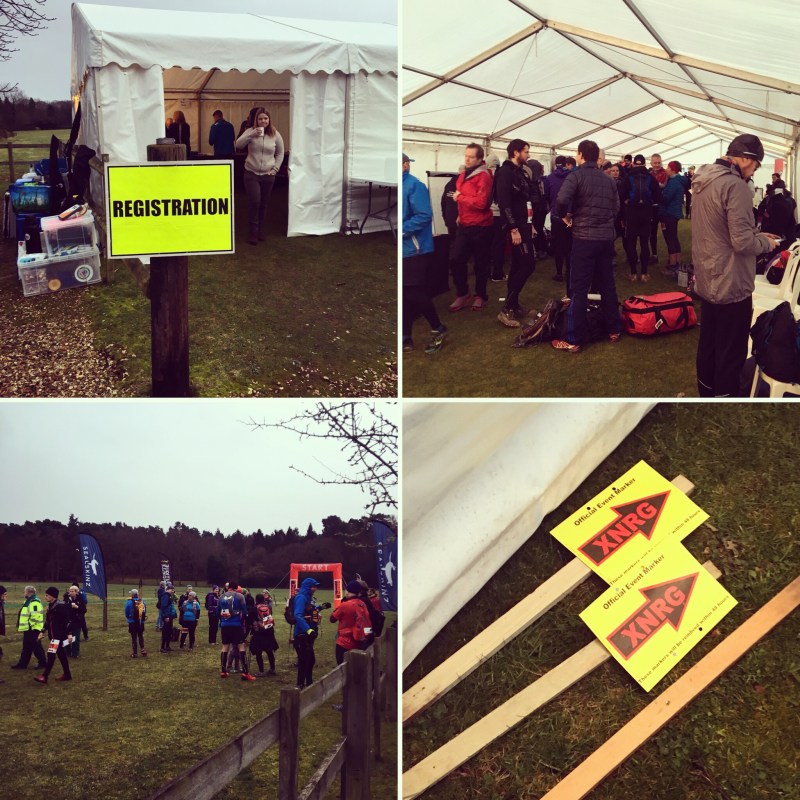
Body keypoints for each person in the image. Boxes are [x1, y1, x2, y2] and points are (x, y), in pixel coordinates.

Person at [691, 133, 781, 397]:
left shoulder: (704, 180)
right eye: (756, 165)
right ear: (747, 159)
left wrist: (757, 235)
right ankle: (725, 397)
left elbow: (721, 230)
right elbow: (742, 243)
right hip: (731, 281)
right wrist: (766, 244)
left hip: (708, 275)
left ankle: (706, 393)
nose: (754, 172)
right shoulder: (735, 186)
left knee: (709, 343)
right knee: (731, 350)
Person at [551, 139, 622, 353]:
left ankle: (573, 338)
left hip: (584, 239)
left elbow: (561, 200)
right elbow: (616, 208)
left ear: (581, 155)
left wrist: (565, 216)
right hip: (606, 239)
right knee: (607, 284)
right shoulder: (608, 179)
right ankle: (614, 329)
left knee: (579, 289)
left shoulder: (576, 176)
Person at [403, 152, 447, 353]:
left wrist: (402, 230)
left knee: (414, 292)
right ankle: (406, 337)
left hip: (416, 248)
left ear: (405, 165)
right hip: (405, 248)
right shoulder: (401, 186)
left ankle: (438, 328)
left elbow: (424, 215)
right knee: (405, 294)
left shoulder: (415, 185)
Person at [495, 139, 536, 328]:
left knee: (518, 265)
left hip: (524, 225)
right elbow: (504, 203)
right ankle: (506, 309)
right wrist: (513, 228)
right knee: (528, 264)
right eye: (526, 151)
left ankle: (513, 305)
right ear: (516, 152)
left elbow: (525, 201)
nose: (528, 154)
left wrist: (530, 224)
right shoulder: (505, 172)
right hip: (516, 227)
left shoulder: (519, 172)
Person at [448, 143, 494, 311]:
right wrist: (460, 213)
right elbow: (465, 197)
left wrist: (460, 198)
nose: (467, 159)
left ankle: (480, 295)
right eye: (466, 156)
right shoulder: (462, 175)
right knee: (456, 259)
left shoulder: (484, 176)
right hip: (464, 224)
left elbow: (482, 203)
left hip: (481, 226)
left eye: (471, 157)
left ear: (480, 159)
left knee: (481, 263)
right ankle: (463, 293)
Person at [235, 106, 284, 245]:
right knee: (255, 201)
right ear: (256, 120)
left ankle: (260, 229)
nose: (263, 121)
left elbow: (280, 152)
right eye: (260, 119)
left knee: (264, 203)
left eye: (265, 118)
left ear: (269, 120)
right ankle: (253, 230)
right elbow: (238, 145)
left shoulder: (275, 134)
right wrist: (251, 134)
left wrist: (275, 169)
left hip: (268, 175)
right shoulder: (250, 131)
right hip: (251, 173)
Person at [621, 155, 657, 282]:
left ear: (633, 164)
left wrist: (627, 201)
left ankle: (633, 273)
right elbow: (658, 195)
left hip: (632, 212)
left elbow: (621, 194)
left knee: (631, 243)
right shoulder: (650, 177)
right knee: (644, 243)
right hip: (646, 212)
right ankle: (644, 274)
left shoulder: (628, 176)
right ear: (644, 164)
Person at [292, 577, 325, 689]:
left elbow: (310, 611)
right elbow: (298, 615)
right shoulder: (301, 597)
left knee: (310, 660)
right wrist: (308, 629)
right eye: (314, 586)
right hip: (301, 634)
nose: (315, 589)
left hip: (308, 634)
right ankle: (300, 685)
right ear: (308, 587)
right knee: (304, 660)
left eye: (316, 586)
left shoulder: (308, 597)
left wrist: (321, 607)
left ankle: (309, 683)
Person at [218, 582, 255, 681]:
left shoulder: (221, 596)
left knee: (225, 647)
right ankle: (245, 673)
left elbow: (218, 612)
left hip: (225, 625)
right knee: (241, 646)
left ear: (228, 588)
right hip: (236, 625)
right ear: (236, 588)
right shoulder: (240, 596)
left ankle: (223, 671)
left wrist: (223, 620)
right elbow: (245, 612)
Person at [544, 155, 572, 284]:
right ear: (566, 164)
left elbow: (547, 196)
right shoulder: (572, 176)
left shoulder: (549, 178)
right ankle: (569, 272)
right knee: (569, 246)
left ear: (555, 164)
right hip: (570, 216)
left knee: (558, 246)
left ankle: (559, 273)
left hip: (556, 216)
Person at [34, 587, 72, 683]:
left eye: (47, 595)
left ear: (53, 596)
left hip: (59, 636)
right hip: (54, 636)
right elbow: (48, 621)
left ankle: (44, 676)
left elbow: (68, 621)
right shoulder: (50, 606)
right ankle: (67, 675)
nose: (45, 597)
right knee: (62, 655)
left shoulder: (61, 606)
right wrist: (42, 631)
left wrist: (69, 634)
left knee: (51, 655)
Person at [329, 581, 372, 665]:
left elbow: (332, 619)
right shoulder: (362, 604)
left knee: (342, 667)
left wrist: (338, 609)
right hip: (359, 641)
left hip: (344, 643)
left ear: (348, 591)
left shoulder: (345, 605)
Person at [659, 161, 689, 275]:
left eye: (668, 167)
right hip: (674, 212)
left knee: (670, 239)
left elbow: (666, 198)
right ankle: (676, 262)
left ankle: (672, 266)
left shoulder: (674, 182)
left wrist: (659, 193)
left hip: (669, 213)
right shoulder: (678, 181)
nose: (666, 169)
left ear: (672, 169)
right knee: (674, 238)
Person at [11, 586, 46, 670]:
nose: (24, 593)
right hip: (28, 629)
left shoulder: (34, 602)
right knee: (26, 647)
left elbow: (36, 616)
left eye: (25, 592)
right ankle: (22, 664)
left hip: (33, 629)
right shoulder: (28, 601)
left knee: (36, 647)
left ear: (29, 592)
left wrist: (33, 627)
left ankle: (43, 663)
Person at [249, 592, 279, 676]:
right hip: (269, 631)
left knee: (258, 652)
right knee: (269, 651)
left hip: (258, 632)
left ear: (256, 600)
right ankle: (272, 669)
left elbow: (249, 619)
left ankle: (261, 671)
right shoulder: (268, 607)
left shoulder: (254, 608)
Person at [760, 179, 797, 244]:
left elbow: (761, 209)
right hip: (788, 232)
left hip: (774, 234)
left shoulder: (772, 199)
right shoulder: (790, 199)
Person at [648, 153, 667, 262]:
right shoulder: (649, 174)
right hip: (652, 208)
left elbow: (663, 186)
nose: (657, 165)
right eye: (655, 163)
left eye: (659, 163)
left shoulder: (665, 173)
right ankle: (654, 254)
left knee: (667, 232)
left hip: (663, 207)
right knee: (652, 232)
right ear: (651, 163)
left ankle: (672, 257)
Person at [63, 585, 86, 658]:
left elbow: (84, 610)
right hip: (67, 621)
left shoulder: (80, 599)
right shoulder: (66, 598)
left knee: (75, 638)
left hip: (77, 622)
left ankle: (75, 653)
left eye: (72, 591)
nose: (71, 592)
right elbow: (63, 608)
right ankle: (67, 653)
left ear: (76, 592)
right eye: (70, 591)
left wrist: (77, 607)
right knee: (66, 638)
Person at [124, 589, 147, 658]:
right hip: (140, 622)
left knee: (134, 637)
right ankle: (142, 650)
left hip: (132, 622)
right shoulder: (142, 601)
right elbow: (144, 611)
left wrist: (129, 618)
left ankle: (135, 653)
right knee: (140, 636)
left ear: (132, 595)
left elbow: (126, 612)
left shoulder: (129, 602)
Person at [158, 583, 177, 654]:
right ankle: (162, 647)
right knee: (165, 632)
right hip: (166, 616)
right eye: (171, 590)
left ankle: (167, 646)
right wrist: (166, 616)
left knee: (169, 631)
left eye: (173, 590)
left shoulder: (169, 596)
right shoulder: (165, 596)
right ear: (168, 589)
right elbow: (164, 606)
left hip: (170, 616)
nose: (172, 591)